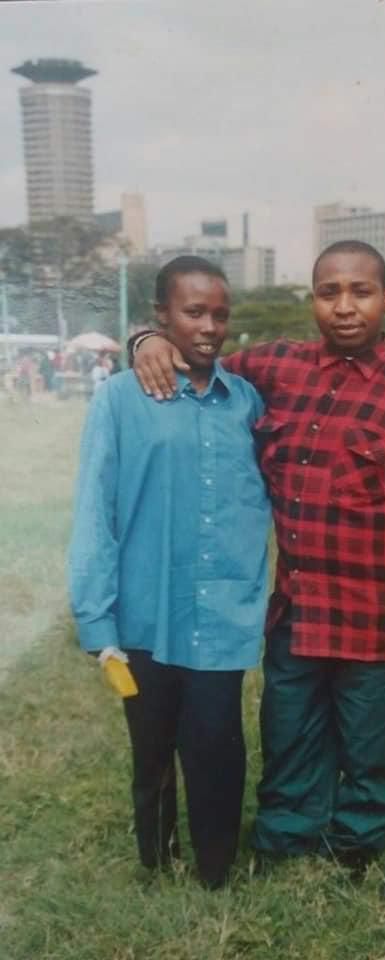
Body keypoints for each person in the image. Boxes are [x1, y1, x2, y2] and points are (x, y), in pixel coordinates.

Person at [131, 240, 385, 874]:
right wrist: (145, 340)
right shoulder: (275, 370)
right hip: (298, 615)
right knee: (289, 737)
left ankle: (356, 850)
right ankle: (286, 842)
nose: (345, 307)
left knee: (375, 748)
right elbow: (200, 355)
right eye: (330, 293)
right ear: (313, 301)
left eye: (361, 292)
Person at [68, 256, 271, 888]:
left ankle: (216, 870)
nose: (209, 326)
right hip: (144, 614)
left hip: (221, 614)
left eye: (220, 314)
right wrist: (97, 620)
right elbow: (95, 509)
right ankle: (156, 862)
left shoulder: (246, 402)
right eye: (192, 312)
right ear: (160, 316)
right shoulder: (121, 400)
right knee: (150, 750)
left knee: (217, 745)